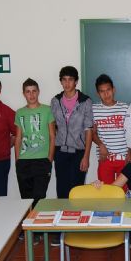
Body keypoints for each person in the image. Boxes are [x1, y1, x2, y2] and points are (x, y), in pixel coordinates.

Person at [51, 66, 93, 198]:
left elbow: (89, 130)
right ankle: (63, 218)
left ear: (76, 81)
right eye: (64, 80)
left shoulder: (85, 101)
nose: (67, 83)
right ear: (61, 81)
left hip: (78, 153)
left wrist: (86, 156)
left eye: (70, 79)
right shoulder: (55, 101)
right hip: (60, 153)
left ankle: (76, 218)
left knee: (77, 193)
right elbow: (52, 129)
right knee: (62, 192)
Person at [15, 78, 55, 207]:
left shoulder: (47, 110)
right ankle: (27, 227)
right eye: (28, 92)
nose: (31, 95)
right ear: (23, 93)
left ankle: (37, 226)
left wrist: (49, 158)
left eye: (34, 91)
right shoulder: (20, 112)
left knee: (39, 198)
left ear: (38, 92)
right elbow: (18, 138)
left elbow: (52, 136)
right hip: (24, 161)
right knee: (26, 200)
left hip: (42, 161)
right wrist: (17, 159)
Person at [92, 74, 130, 185]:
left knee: (123, 193)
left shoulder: (125, 108)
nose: (106, 94)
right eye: (102, 91)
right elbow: (92, 133)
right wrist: (100, 144)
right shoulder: (94, 109)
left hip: (123, 158)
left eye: (108, 90)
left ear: (114, 90)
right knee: (105, 193)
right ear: (98, 93)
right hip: (105, 158)